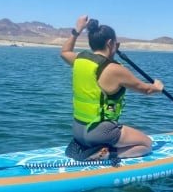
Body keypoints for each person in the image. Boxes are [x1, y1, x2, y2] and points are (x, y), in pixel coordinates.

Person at [60, 15, 164, 160]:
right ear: (110, 43)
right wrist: (157, 87)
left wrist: (78, 29)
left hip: (78, 130)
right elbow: (146, 90)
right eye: (116, 43)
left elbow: (64, 52)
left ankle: (93, 148)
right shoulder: (115, 69)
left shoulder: (80, 60)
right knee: (146, 144)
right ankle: (105, 155)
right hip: (100, 132)